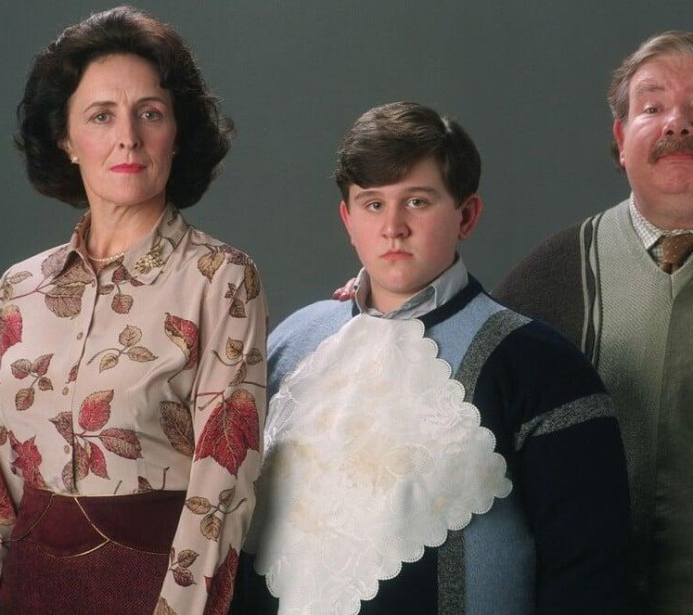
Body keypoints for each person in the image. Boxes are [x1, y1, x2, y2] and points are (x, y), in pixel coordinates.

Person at [232, 101, 630, 614]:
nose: (393, 227)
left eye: (417, 201)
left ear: (466, 215)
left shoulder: (542, 368)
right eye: (373, 204)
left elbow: (588, 574)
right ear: (347, 219)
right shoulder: (291, 344)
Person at [494, 31, 693, 613]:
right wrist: (379, 300)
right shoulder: (548, 277)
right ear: (622, 139)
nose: (678, 124)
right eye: (652, 107)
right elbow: (455, 403)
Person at [0, 6, 267, 613]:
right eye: (101, 115)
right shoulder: (17, 290)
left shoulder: (220, 280)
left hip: (150, 592)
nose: (127, 137)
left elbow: (221, 491)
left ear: (176, 134)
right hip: (25, 593)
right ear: (65, 139)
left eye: (150, 113)